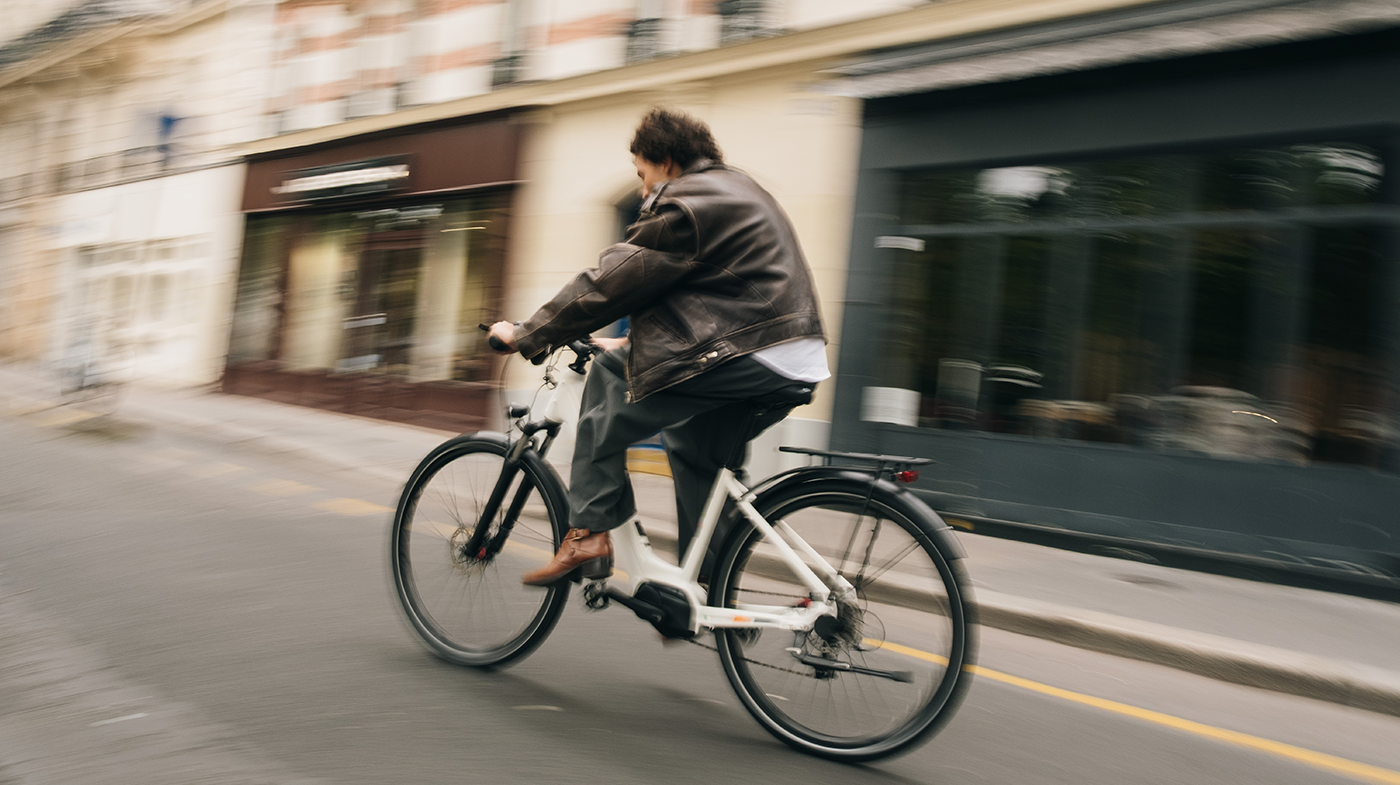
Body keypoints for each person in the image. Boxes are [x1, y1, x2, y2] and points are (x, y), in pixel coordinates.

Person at [489, 108, 829, 587]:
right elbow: (716, 295)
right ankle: (709, 587)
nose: (643, 188)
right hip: (790, 354)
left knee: (608, 379)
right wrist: (632, 340)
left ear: (665, 160)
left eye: (641, 173)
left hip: (754, 351)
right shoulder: (736, 188)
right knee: (694, 447)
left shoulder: (687, 201)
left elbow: (614, 280)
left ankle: (586, 535)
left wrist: (528, 332)